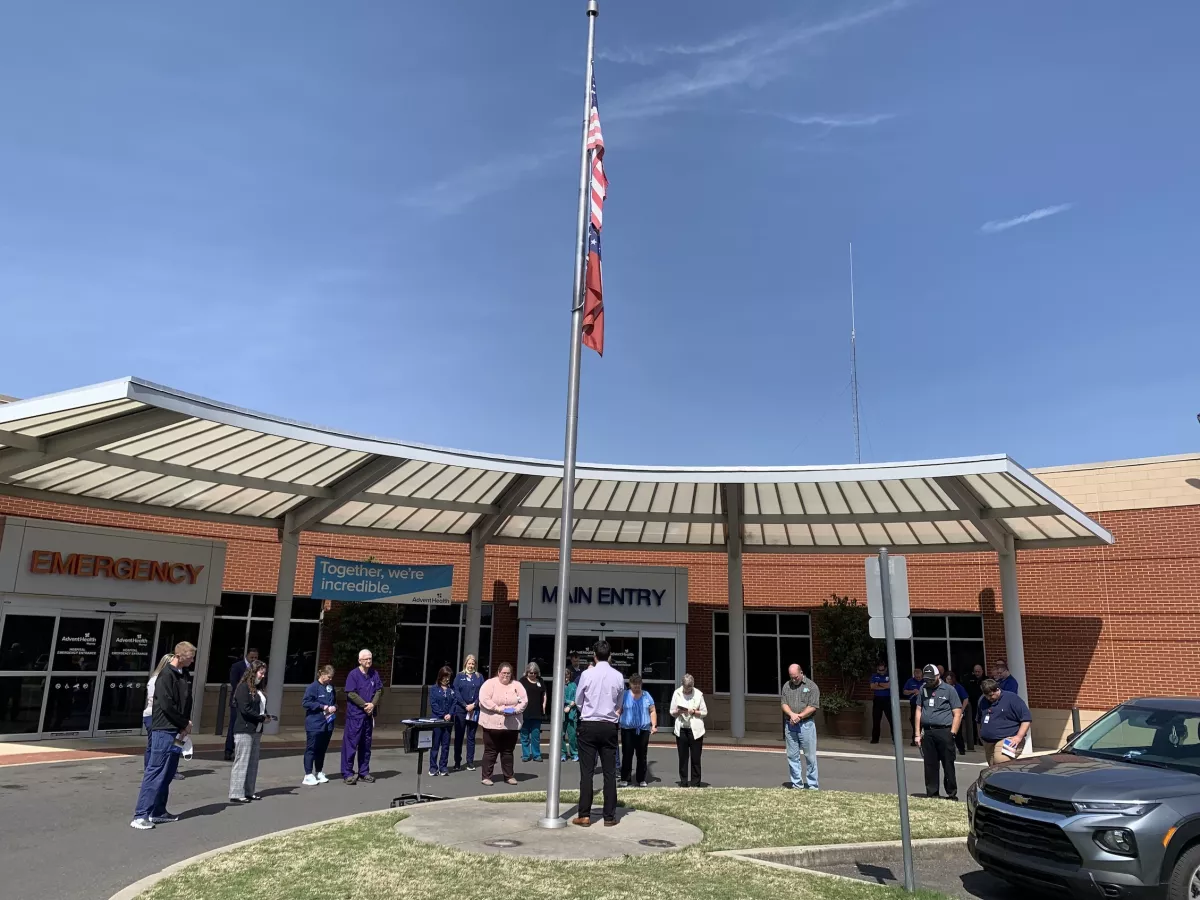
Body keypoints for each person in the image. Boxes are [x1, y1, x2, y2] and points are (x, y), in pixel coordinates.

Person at [131, 641, 195, 830]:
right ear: (180, 655)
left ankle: (158, 811)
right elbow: (166, 705)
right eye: (190, 657)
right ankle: (141, 815)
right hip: (163, 729)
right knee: (156, 770)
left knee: (168, 772)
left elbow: (185, 701)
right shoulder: (165, 675)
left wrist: (185, 726)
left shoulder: (184, 674)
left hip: (178, 730)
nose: (192, 660)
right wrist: (183, 723)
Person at [573, 640, 624, 826]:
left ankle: (584, 814)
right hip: (609, 725)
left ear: (594, 656)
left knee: (587, 772)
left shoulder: (587, 674)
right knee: (610, 772)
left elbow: (579, 700)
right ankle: (609, 816)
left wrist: (588, 710)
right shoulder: (618, 676)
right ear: (610, 656)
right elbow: (620, 703)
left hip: (589, 724)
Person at [914, 663, 962, 800]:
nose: (928, 681)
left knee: (948, 764)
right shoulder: (923, 689)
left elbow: (957, 713)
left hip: (944, 731)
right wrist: (917, 734)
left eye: (931, 679)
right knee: (930, 764)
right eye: (926, 679)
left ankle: (951, 794)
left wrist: (953, 733)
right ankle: (932, 793)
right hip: (928, 732)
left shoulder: (949, 690)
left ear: (938, 676)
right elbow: (918, 710)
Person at [229, 660, 273, 803]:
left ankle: (249, 791)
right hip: (244, 729)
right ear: (253, 672)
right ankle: (236, 792)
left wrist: (266, 716)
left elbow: (260, 707)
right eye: (261, 672)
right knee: (242, 761)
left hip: (256, 729)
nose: (262, 675)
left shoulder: (259, 690)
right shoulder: (243, 687)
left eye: (264, 673)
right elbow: (245, 709)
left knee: (253, 762)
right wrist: (260, 717)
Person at [477, 662, 527, 786]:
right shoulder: (489, 684)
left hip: (511, 725)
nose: (506, 675)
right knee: (490, 751)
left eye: (508, 673)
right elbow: (484, 700)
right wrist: (498, 709)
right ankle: (486, 777)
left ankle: (509, 776)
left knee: (508, 751)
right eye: (503, 673)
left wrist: (515, 710)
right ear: (498, 673)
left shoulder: (517, 685)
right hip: (491, 724)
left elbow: (524, 701)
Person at [342, 649, 382, 785]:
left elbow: (379, 690)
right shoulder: (353, 675)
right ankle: (347, 773)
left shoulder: (374, 674)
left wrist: (373, 704)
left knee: (366, 745)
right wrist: (365, 704)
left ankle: (364, 771)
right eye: (366, 659)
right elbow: (351, 693)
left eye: (370, 658)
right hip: (355, 716)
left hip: (368, 716)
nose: (369, 661)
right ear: (360, 660)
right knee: (351, 745)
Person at [780, 663, 820, 790]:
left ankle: (812, 785)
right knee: (792, 755)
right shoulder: (787, 686)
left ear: (801, 673)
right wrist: (792, 714)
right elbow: (784, 703)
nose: (794, 679)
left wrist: (800, 716)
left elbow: (813, 706)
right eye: (791, 677)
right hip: (790, 725)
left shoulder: (811, 686)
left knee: (810, 756)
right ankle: (797, 784)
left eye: (796, 677)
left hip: (806, 725)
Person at [976, 677, 1032, 767]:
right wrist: (981, 736)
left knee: (1001, 762)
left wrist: (1018, 737)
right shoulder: (982, 700)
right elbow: (979, 720)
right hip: (988, 741)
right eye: (986, 695)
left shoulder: (1012, 698)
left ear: (997, 689)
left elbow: (1026, 719)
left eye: (991, 695)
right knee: (992, 767)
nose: (989, 698)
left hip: (1009, 738)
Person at [618, 674, 657, 787]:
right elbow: (619, 710)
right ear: (630, 684)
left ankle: (641, 779)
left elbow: (652, 710)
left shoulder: (646, 695)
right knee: (627, 754)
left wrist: (654, 725)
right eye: (634, 685)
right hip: (627, 730)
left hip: (643, 730)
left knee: (642, 755)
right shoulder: (625, 695)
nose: (636, 688)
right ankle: (625, 778)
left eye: (638, 685)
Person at [670, 673, 708, 789]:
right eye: (686, 689)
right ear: (682, 685)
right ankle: (684, 782)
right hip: (681, 729)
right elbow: (672, 711)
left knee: (696, 758)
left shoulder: (698, 694)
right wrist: (678, 712)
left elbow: (704, 712)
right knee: (683, 757)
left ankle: (696, 783)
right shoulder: (677, 693)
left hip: (695, 730)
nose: (687, 691)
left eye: (689, 689)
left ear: (693, 686)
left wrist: (694, 712)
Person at [301, 664, 337, 786]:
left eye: (332, 677)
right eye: (329, 677)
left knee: (322, 749)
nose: (330, 679)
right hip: (315, 723)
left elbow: (334, 701)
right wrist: (322, 706)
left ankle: (319, 771)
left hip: (328, 723)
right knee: (311, 748)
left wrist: (334, 707)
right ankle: (308, 774)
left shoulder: (330, 687)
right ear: (322, 674)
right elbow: (306, 703)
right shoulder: (313, 687)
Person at [224, 647, 259, 761]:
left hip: (251, 702)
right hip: (237, 701)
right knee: (234, 726)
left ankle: (242, 751)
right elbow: (234, 683)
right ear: (246, 656)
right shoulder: (237, 666)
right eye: (251, 657)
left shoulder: (258, 668)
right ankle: (229, 750)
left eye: (255, 657)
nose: (253, 659)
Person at [451, 655, 484, 772]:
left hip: (474, 710)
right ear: (465, 664)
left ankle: (470, 762)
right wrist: (465, 705)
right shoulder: (459, 676)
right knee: (459, 737)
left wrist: (474, 705)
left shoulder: (479, 677)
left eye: (473, 664)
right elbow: (456, 691)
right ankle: (457, 762)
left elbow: (482, 693)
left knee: (471, 737)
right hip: (461, 710)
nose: (471, 666)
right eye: (469, 663)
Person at [142, 653, 174, 769]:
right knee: (153, 745)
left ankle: (169, 768)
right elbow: (155, 699)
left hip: (163, 716)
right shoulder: (155, 680)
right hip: (153, 715)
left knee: (172, 744)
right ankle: (149, 769)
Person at [428, 666, 456, 776]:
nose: (447, 679)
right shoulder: (434, 689)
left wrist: (450, 714)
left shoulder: (452, 689)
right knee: (435, 745)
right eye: (445, 677)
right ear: (440, 677)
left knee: (445, 745)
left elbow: (454, 702)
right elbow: (433, 704)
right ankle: (433, 767)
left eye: (449, 677)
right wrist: (443, 714)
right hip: (437, 720)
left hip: (448, 721)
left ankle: (443, 767)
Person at [519, 662, 547, 763]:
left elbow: (544, 694)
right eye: (531, 673)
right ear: (527, 672)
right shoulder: (522, 681)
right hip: (525, 711)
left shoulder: (540, 681)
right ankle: (526, 755)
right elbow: (517, 694)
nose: (533, 675)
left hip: (537, 712)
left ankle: (536, 755)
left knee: (535, 735)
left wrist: (544, 705)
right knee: (524, 734)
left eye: (535, 673)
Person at [945, 671, 970, 753]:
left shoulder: (958, 687)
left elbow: (966, 698)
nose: (948, 681)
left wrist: (961, 710)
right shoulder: (943, 687)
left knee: (958, 732)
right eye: (947, 679)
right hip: (946, 713)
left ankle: (961, 749)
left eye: (950, 679)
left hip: (956, 713)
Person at [869, 661, 893, 744]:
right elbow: (872, 687)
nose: (881, 672)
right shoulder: (874, 676)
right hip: (877, 699)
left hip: (887, 699)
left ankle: (895, 738)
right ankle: (875, 739)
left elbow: (890, 685)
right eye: (879, 670)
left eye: (882, 670)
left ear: (886, 669)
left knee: (891, 720)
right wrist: (884, 686)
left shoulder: (889, 676)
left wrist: (878, 684)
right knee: (876, 720)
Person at [560, 667, 579, 762]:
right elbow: (560, 698)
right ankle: (563, 753)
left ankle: (574, 753)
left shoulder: (573, 685)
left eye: (567, 677)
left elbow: (577, 698)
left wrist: (571, 705)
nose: (566, 679)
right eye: (564, 677)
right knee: (561, 735)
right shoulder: (559, 686)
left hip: (572, 714)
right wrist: (570, 702)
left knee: (572, 735)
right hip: (561, 715)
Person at [903, 667, 922, 746]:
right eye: (916, 677)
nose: (918, 678)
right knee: (914, 721)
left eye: (919, 677)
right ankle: (915, 739)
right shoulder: (910, 681)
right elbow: (904, 692)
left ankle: (923, 739)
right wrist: (912, 691)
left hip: (924, 705)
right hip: (914, 704)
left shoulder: (925, 681)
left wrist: (920, 692)